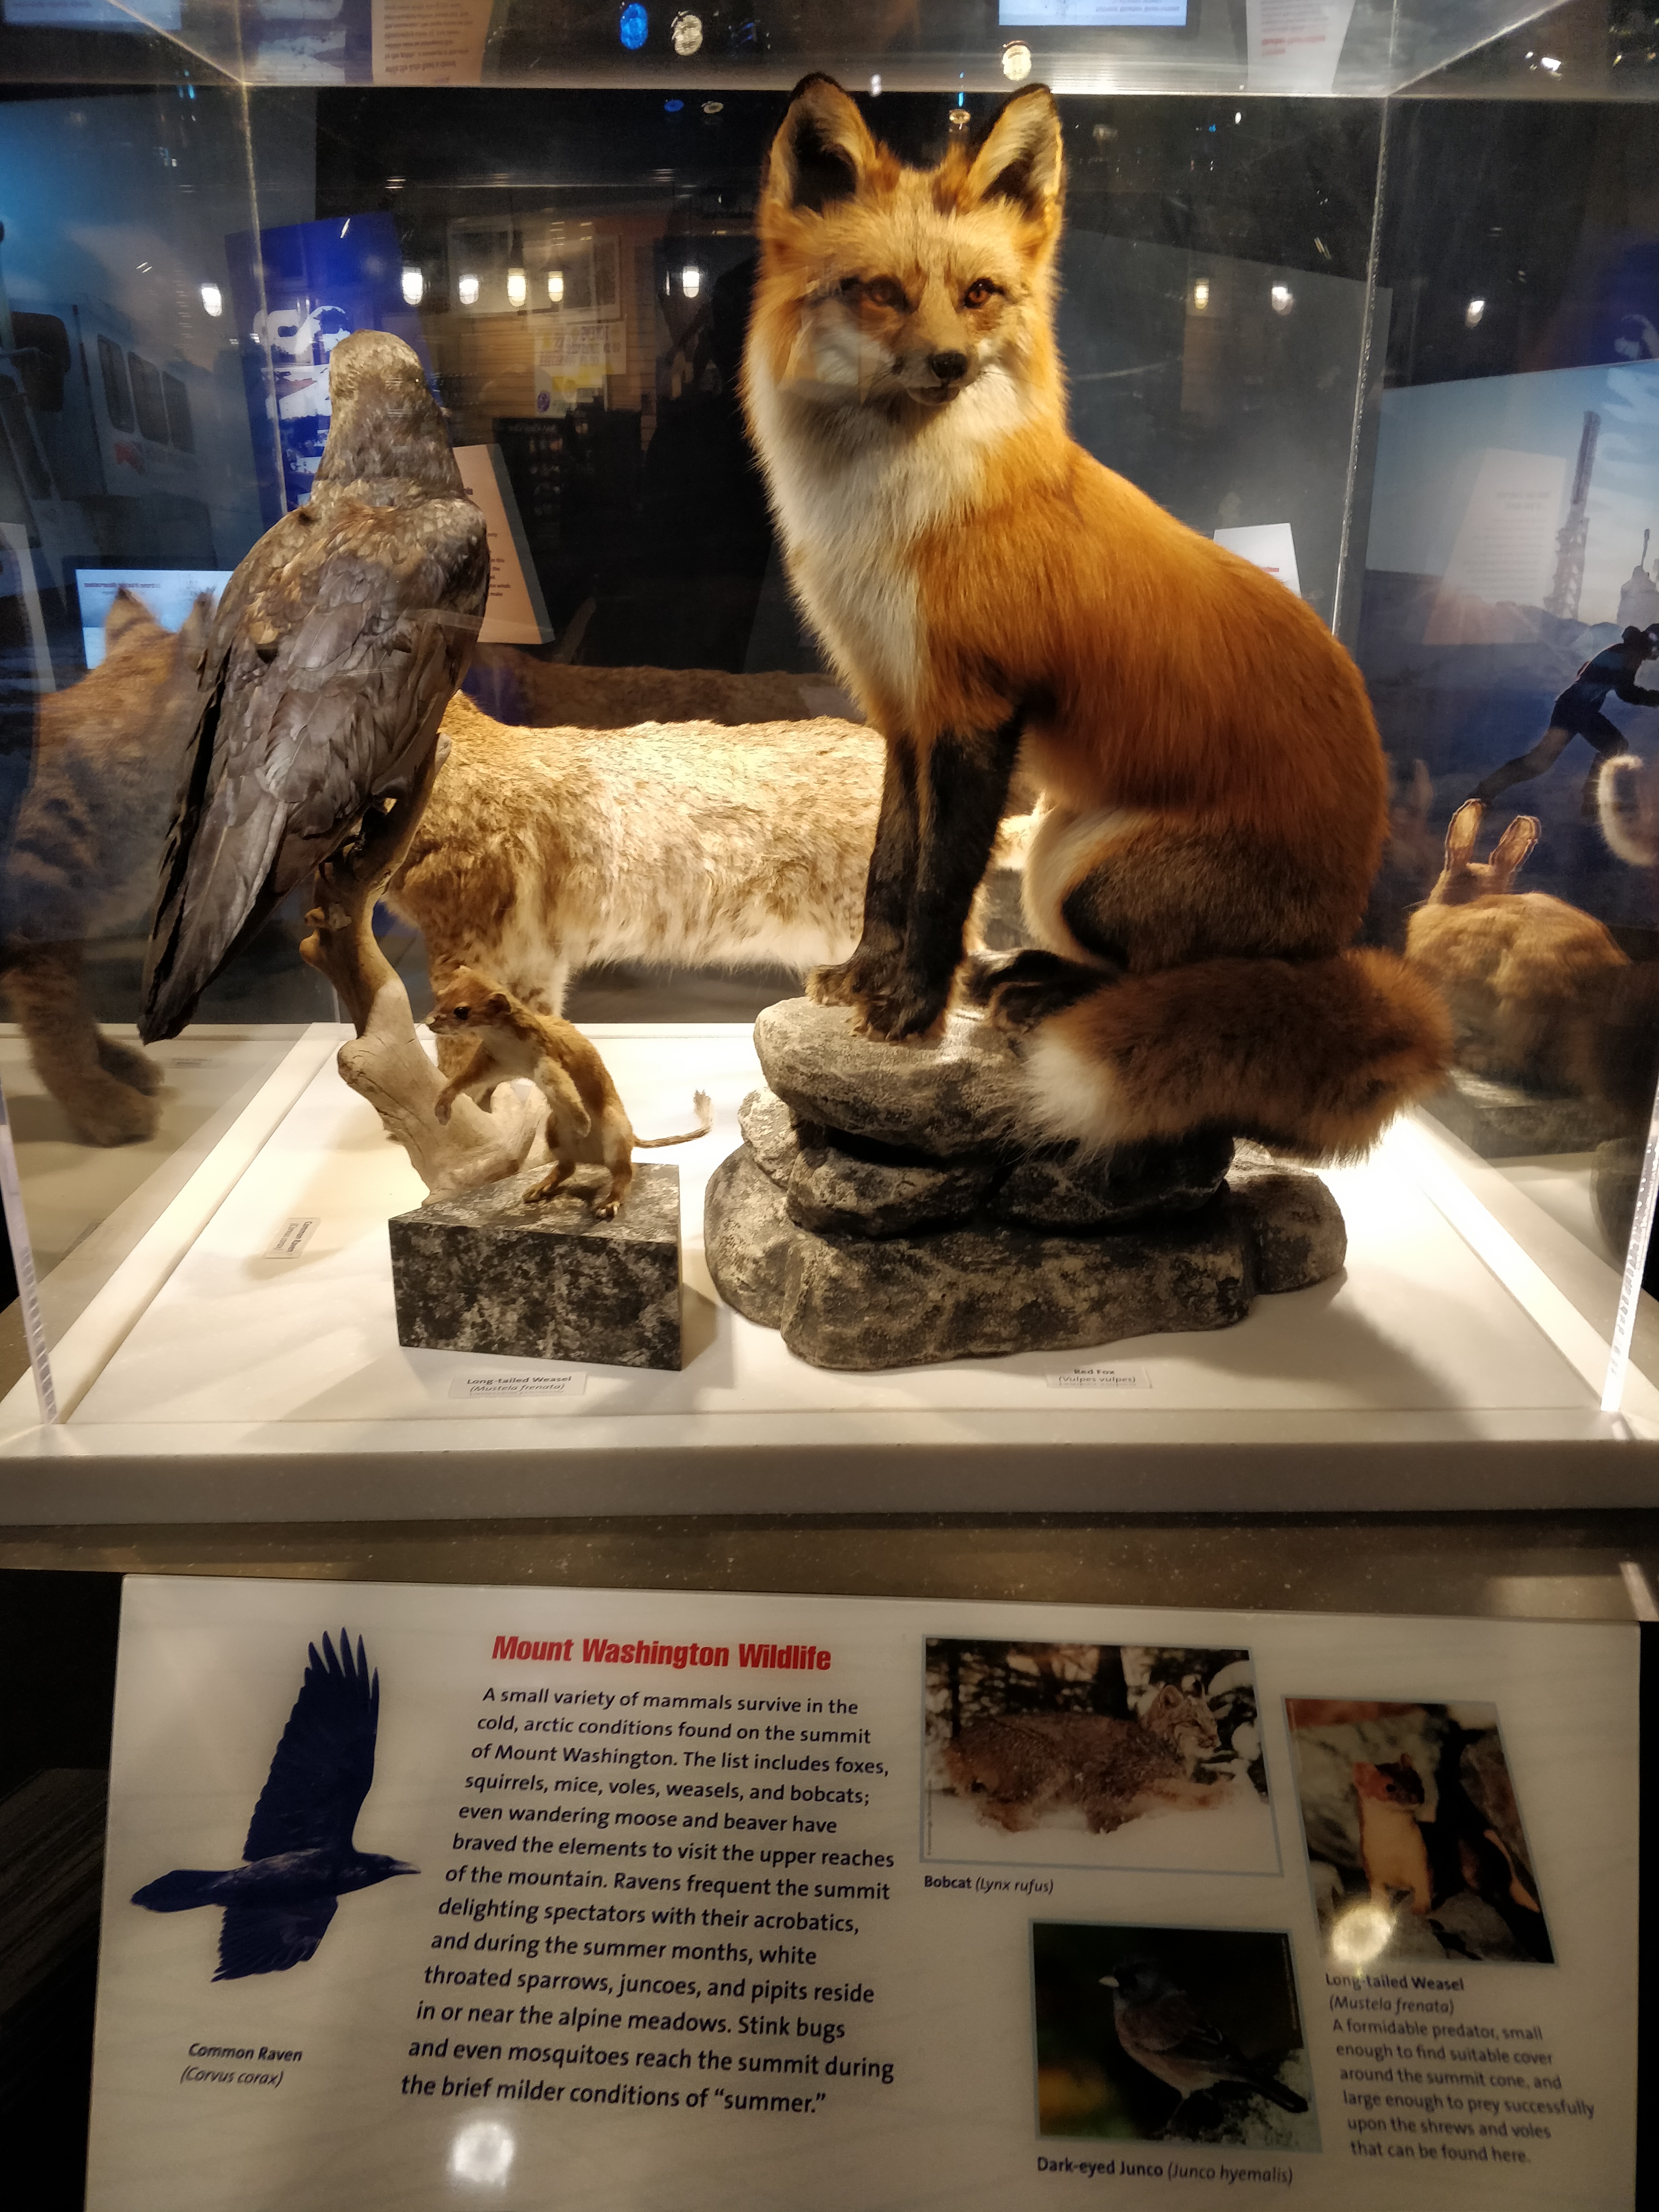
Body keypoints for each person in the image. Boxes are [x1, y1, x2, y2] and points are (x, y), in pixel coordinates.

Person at [1468, 624, 1659, 815]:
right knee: (1615, 746)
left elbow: (1587, 674)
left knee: (1540, 761)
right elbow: (1627, 693)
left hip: (1571, 707)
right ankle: (1592, 802)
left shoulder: (1621, 650)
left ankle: (1484, 792)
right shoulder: (1631, 654)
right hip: (1579, 709)